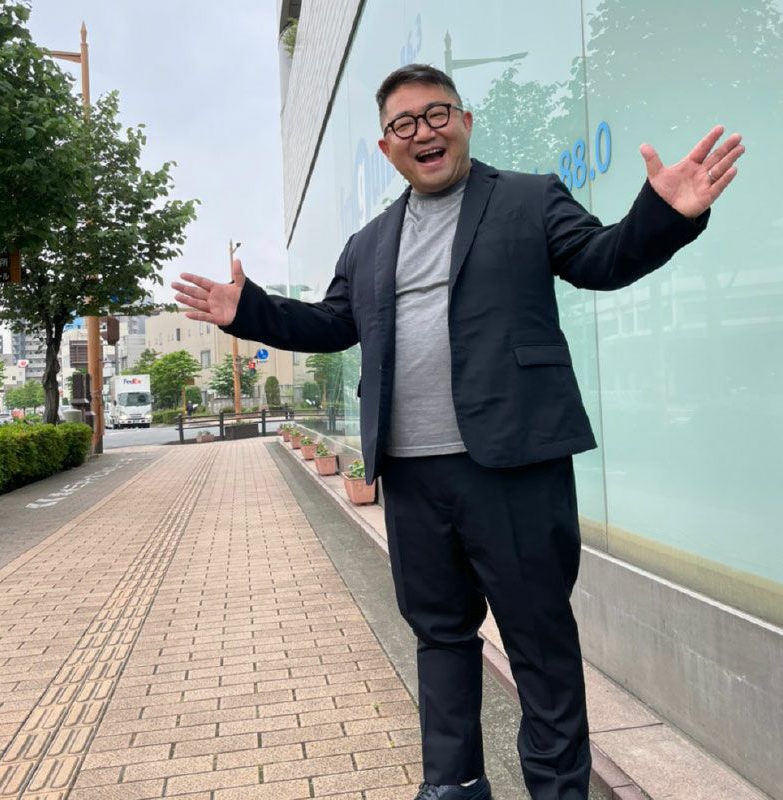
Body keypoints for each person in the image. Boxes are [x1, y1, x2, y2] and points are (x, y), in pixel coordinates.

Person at [172, 64, 744, 800]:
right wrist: (249, 309)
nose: (424, 131)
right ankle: (453, 787)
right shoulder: (369, 242)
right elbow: (333, 323)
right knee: (439, 636)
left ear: (465, 122)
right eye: (404, 124)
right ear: (388, 148)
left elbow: (601, 260)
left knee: (539, 642)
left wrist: (663, 215)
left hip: (513, 466)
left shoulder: (529, 199)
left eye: (437, 113)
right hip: (411, 473)